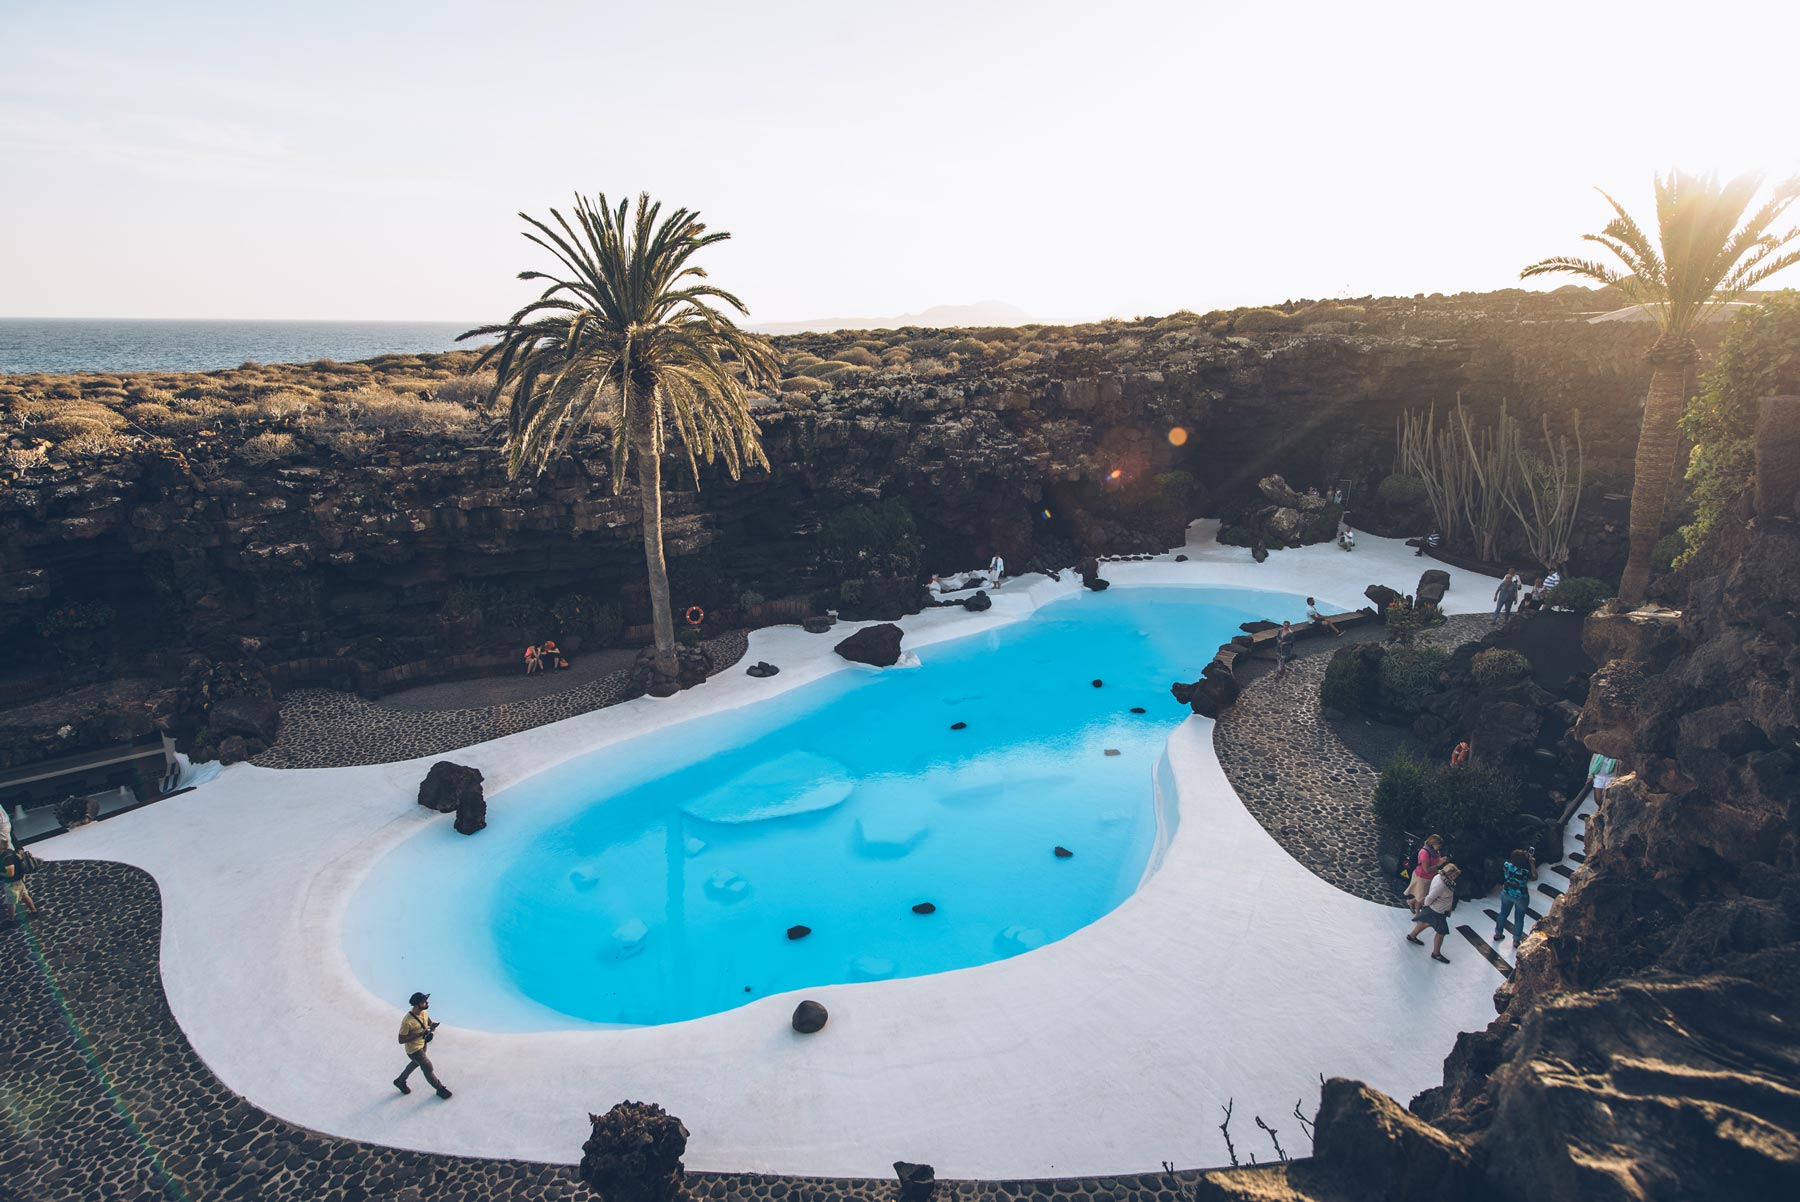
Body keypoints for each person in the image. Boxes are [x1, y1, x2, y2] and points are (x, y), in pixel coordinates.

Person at [394, 991, 452, 1098]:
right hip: (414, 1050)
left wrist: (431, 1024)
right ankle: (439, 1088)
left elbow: (427, 1021)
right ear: (417, 1005)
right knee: (427, 1067)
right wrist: (420, 1033)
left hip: (422, 1044)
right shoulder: (407, 1022)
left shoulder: (424, 1012)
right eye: (424, 1001)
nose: (427, 1002)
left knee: (416, 1063)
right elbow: (401, 1039)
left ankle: (400, 1080)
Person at [1405, 862, 1460, 963]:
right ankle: (1436, 953)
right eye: (1454, 875)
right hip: (1437, 911)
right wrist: (1426, 904)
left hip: (1435, 909)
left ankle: (1412, 936)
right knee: (1441, 932)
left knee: (1426, 923)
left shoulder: (1440, 877)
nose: (1455, 878)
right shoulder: (1442, 885)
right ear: (1449, 874)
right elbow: (1431, 896)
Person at [1493, 848, 1537, 944]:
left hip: (1507, 893)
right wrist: (1532, 863)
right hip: (1521, 896)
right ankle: (1516, 940)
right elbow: (1534, 877)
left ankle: (1498, 933)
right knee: (1519, 918)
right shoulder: (1525, 872)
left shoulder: (1506, 866)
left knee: (1503, 914)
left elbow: (1512, 862)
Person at [1404, 834, 1445, 915]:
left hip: (1431, 878)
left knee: (1424, 896)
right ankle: (1418, 914)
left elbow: (1436, 861)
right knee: (1421, 898)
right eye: (1438, 845)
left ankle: (1411, 902)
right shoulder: (1424, 852)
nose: (1440, 847)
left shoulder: (1436, 852)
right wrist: (1438, 864)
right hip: (1422, 877)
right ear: (1433, 844)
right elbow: (1426, 869)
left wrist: (1442, 860)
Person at [3, 842, 38, 918]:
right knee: (24, 895)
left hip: (12, 882)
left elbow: (10, 874)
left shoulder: (6, 857)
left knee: (11, 901)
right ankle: (34, 911)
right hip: (19, 879)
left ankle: (11, 920)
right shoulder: (10, 852)